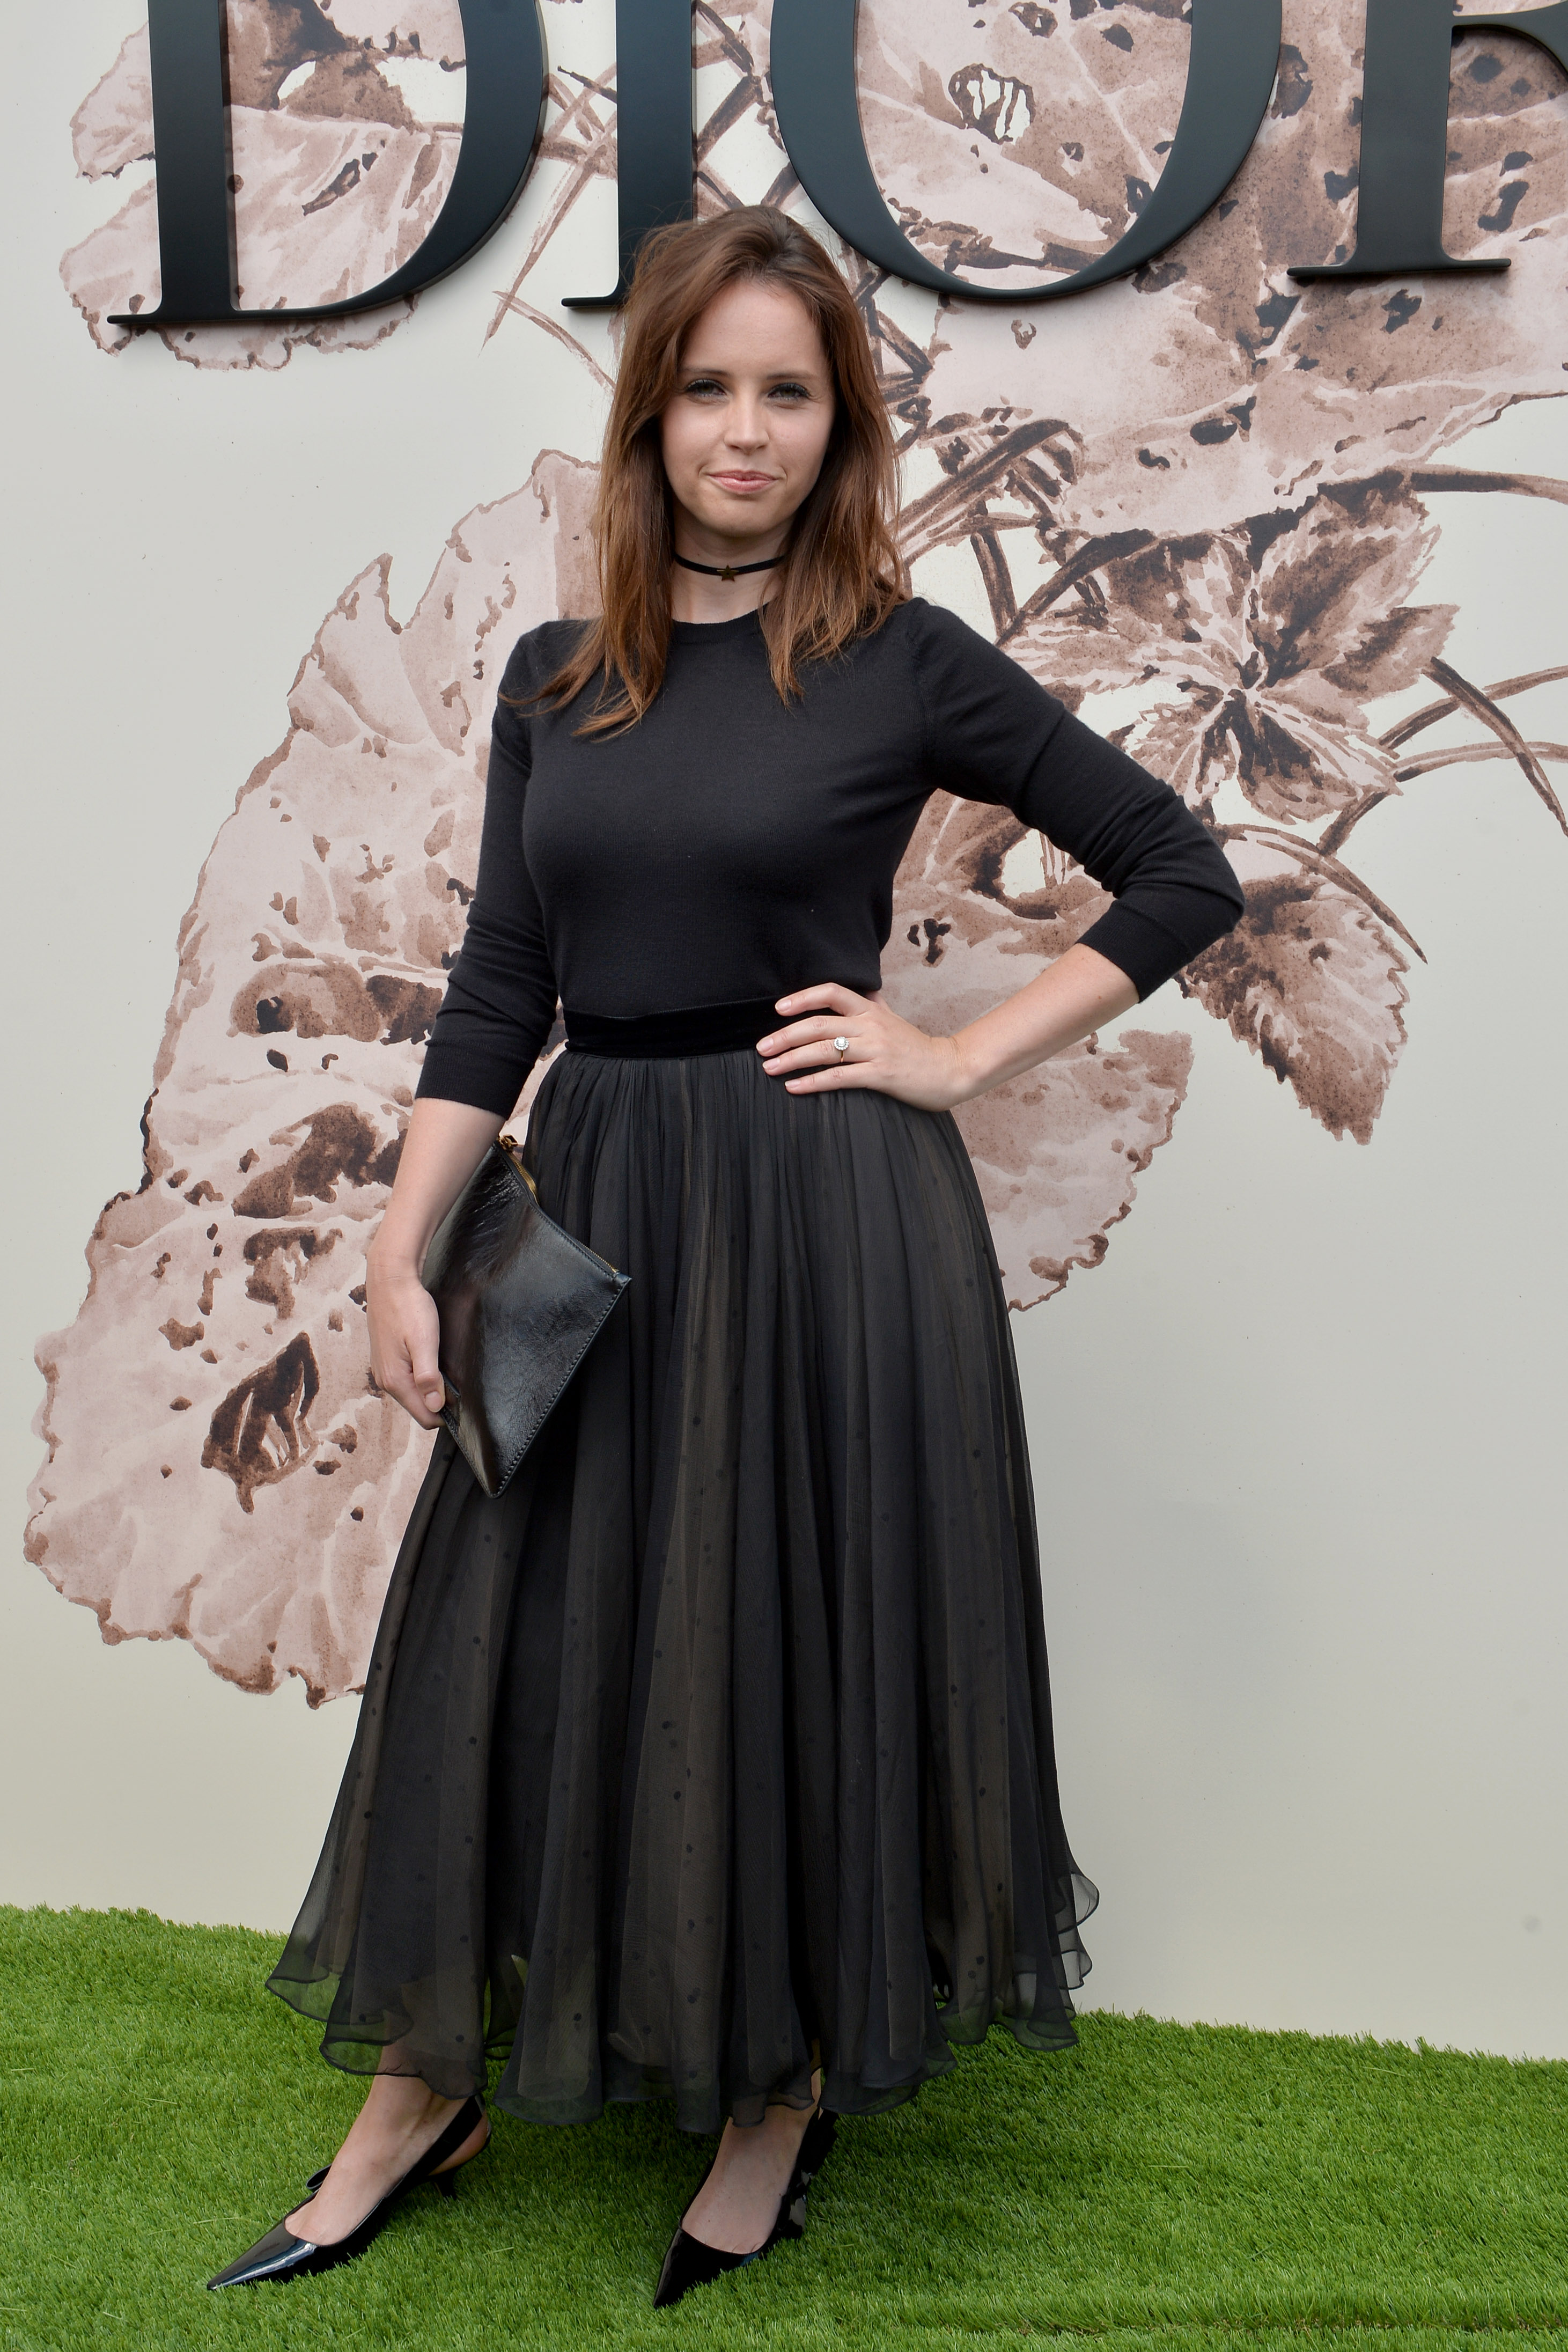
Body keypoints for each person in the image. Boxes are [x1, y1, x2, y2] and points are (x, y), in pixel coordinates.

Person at [209, 205, 1245, 2305]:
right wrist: (405, 1246)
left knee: (791, 1635)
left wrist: (955, 1054)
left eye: (787, 392)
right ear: (649, 413)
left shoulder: (899, 658)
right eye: (705, 388)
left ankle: (777, 2094)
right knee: (521, 1635)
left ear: (836, 422)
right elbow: (500, 985)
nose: (744, 430)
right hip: (597, 1192)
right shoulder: (552, 678)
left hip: (821, 1214)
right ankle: (422, 2088)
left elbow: (1177, 868)